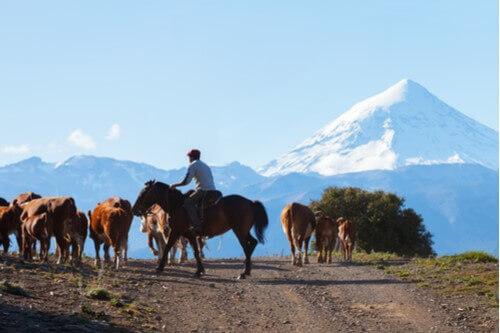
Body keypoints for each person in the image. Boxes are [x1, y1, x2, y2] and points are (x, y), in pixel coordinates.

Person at [170, 149, 216, 233]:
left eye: (189, 157)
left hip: (203, 190)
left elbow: (186, 182)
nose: (188, 159)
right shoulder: (205, 165)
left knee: (188, 203)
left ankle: (197, 226)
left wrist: (174, 185)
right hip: (212, 190)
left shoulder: (192, 165)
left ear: (191, 157)